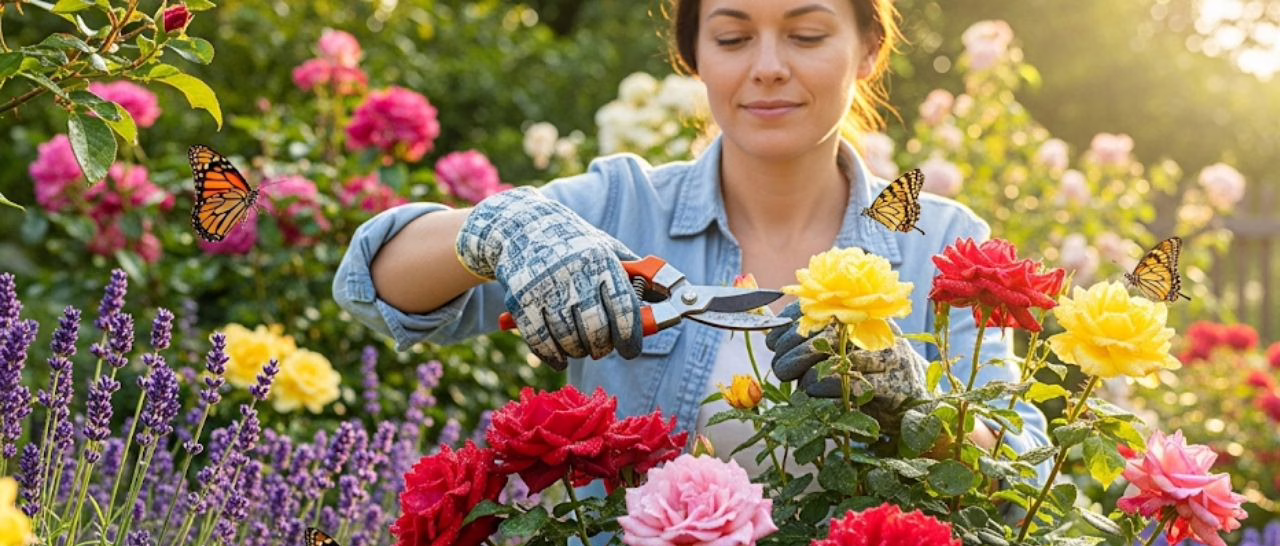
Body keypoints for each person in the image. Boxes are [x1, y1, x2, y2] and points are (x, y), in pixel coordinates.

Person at [334, 0, 1051, 487]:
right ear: (694, 56)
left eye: (806, 35)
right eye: (733, 38)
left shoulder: (943, 241)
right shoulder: (618, 207)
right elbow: (371, 287)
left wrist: (913, 411)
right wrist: (500, 227)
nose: (768, 66)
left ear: (868, 49)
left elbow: (1021, 471)